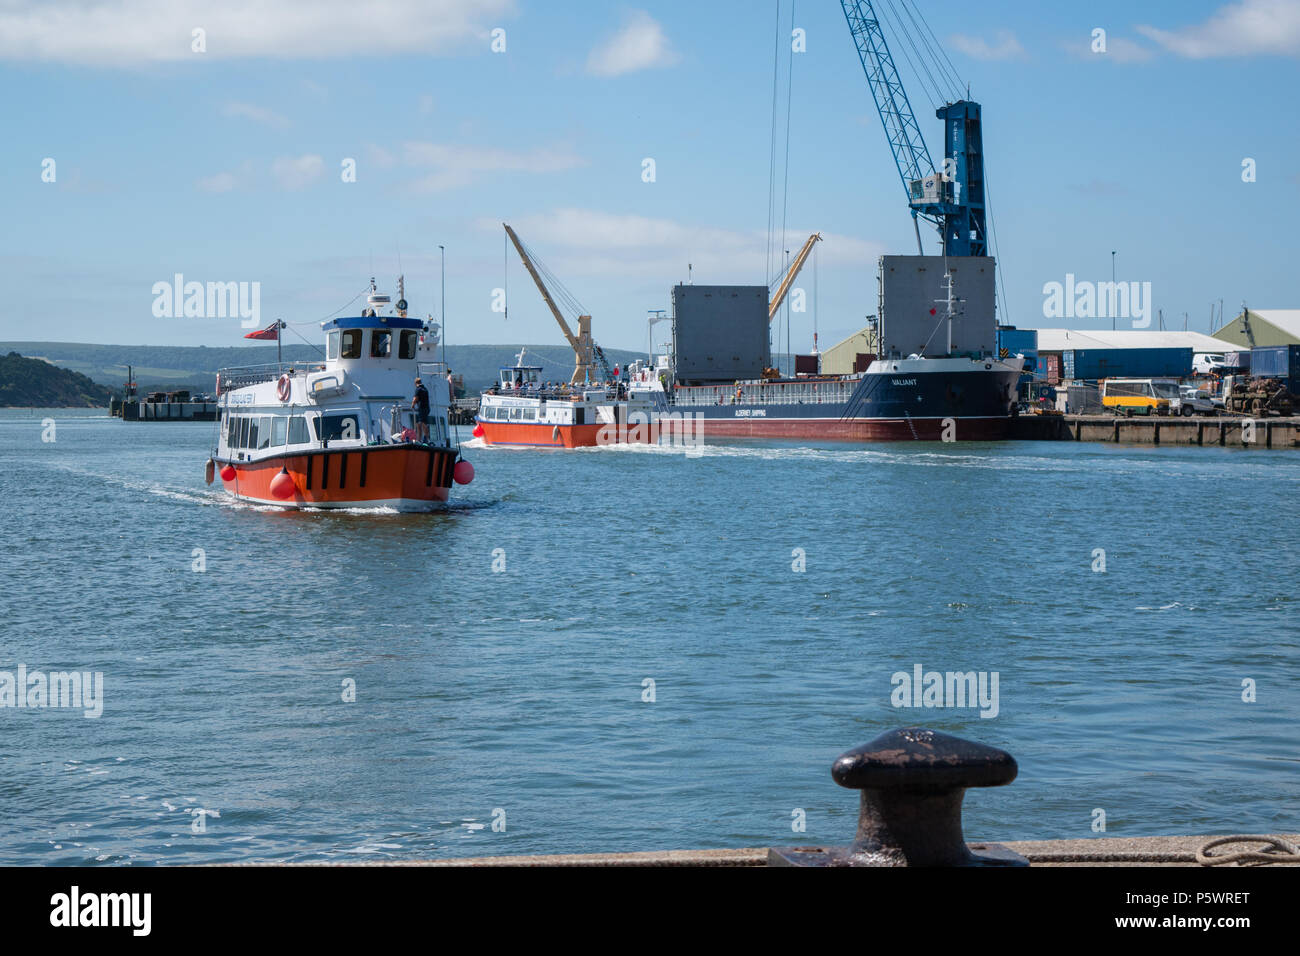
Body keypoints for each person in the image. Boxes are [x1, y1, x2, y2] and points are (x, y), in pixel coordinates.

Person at [412, 377, 430, 443]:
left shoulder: (418, 389)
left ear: (416, 383)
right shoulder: (425, 389)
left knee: (423, 423)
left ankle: (426, 438)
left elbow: (415, 398)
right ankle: (419, 439)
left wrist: (412, 405)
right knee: (419, 424)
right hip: (426, 408)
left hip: (422, 408)